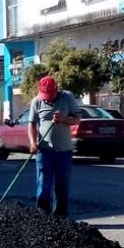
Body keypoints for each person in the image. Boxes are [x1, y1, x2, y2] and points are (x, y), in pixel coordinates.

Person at [28, 76, 80, 217]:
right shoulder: (37, 101)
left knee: (62, 184)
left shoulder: (67, 97)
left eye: (49, 96)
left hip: (64, 151)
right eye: (44, 96)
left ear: (56, 89)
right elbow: (32, 124)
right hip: (44, 151)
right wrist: (33, 143)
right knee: (43, 183)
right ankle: (43, 216)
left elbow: (77, 119)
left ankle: (60, 217)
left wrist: (63, 120)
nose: (46, 99)